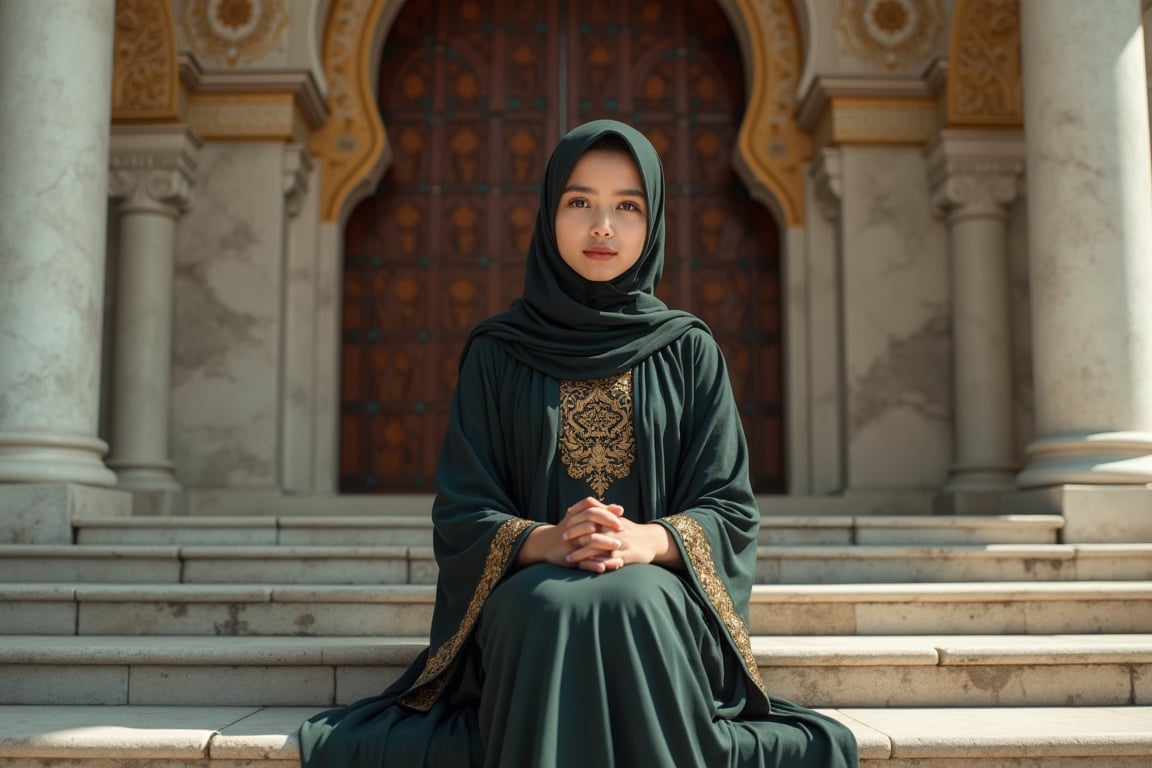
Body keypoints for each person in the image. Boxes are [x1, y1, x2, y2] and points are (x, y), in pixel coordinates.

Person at [298, 120, 859, 767]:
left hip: (660, 592)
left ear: (652, 223)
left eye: (627, 206)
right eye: (579, 202)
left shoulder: (689, 351)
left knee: (636, 601)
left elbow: (729, 510)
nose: (603, 226)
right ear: (548, 214)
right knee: (547, 611)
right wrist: (547, 541)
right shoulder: (496, 352)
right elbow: (461, 508)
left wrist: (644, 541)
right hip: (525, 594)